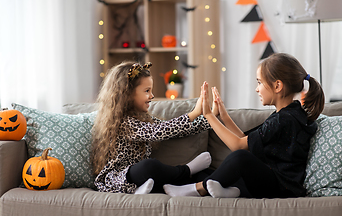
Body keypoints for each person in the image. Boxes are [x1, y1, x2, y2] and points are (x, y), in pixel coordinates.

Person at [164, 53, 325, 198]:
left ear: (277, 86)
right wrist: (224, 117)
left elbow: (239, 147)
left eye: (260, 82)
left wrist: (208, 116)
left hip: (281, 187)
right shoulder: (287, 114)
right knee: (206, 173)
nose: (257, 89)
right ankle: (228, 190)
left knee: (239, 158)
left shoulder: (285, 119)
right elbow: (245, 140)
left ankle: (199, 189)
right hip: (270, 182)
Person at [91, 61, 212, 194]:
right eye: (147, 91)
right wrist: (194, 113)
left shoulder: (142, 117)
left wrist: (210, 119)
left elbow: (174, 129)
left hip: (144, 181)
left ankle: (154, 189)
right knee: (149, 166)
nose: (152, 96)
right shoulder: (123, 122)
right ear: (127, 94)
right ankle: (186, 170)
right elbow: (158, 132)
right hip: (118, 181)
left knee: (204, 174)